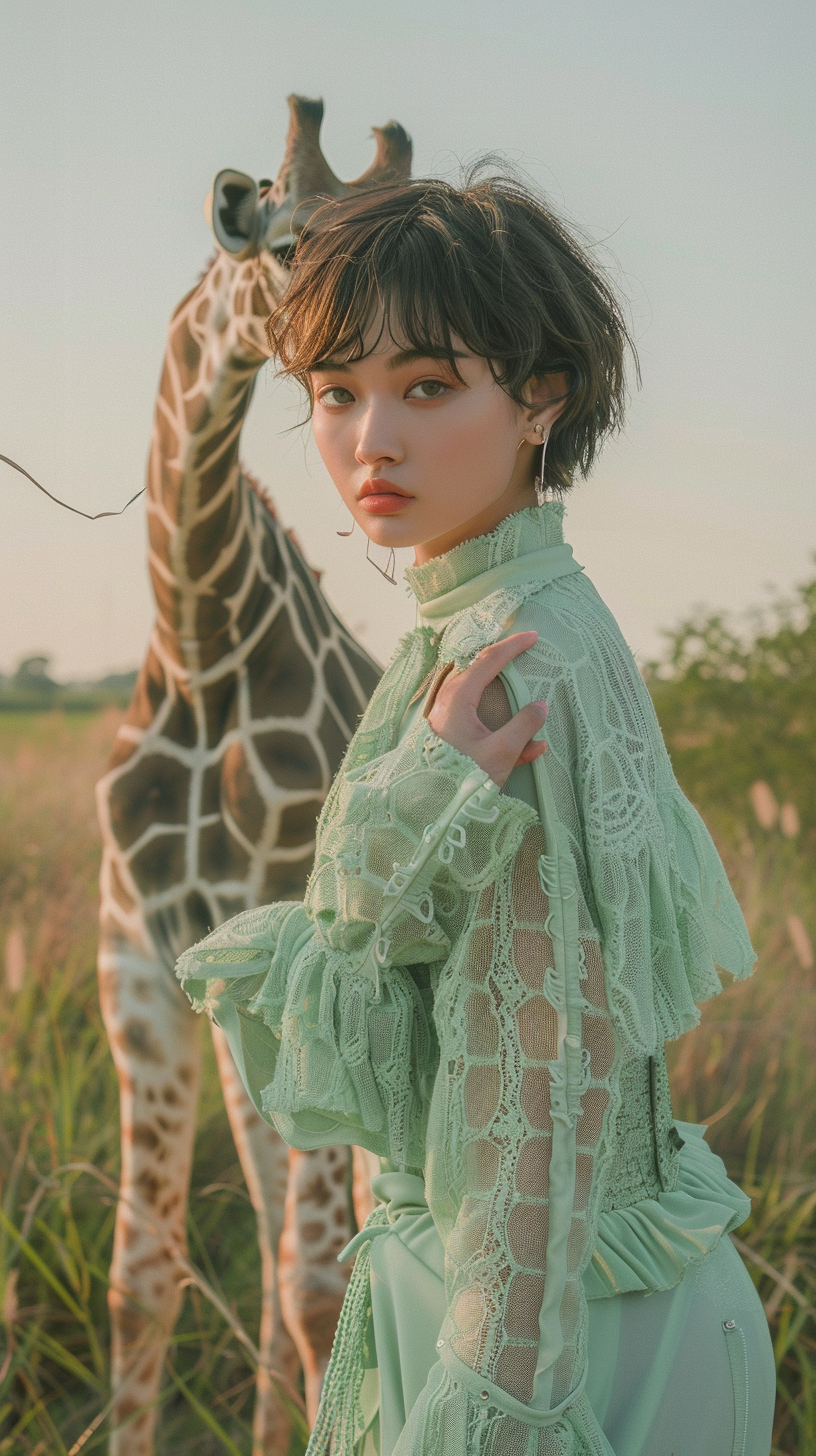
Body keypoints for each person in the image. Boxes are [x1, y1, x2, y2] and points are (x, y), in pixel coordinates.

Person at [176, 171, 776, 1456]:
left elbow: (534, 1108)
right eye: (336, 392)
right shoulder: (492, 621)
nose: (369, 439)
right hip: (557, 1307)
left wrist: (497, 1414)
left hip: (544, 1348)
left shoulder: (516, 667)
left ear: (540, 397)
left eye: (429, 385)